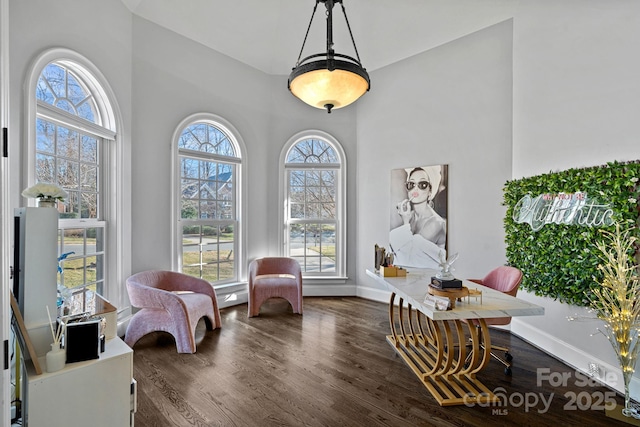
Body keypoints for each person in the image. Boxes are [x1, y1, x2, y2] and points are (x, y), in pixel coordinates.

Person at [389, 167, 446, 268]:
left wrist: (405, 223)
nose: (415, 189)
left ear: (430, 191)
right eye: (411, 184)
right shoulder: (408, 216)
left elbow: (408, 258)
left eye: (422, 185)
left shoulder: (436, 223)